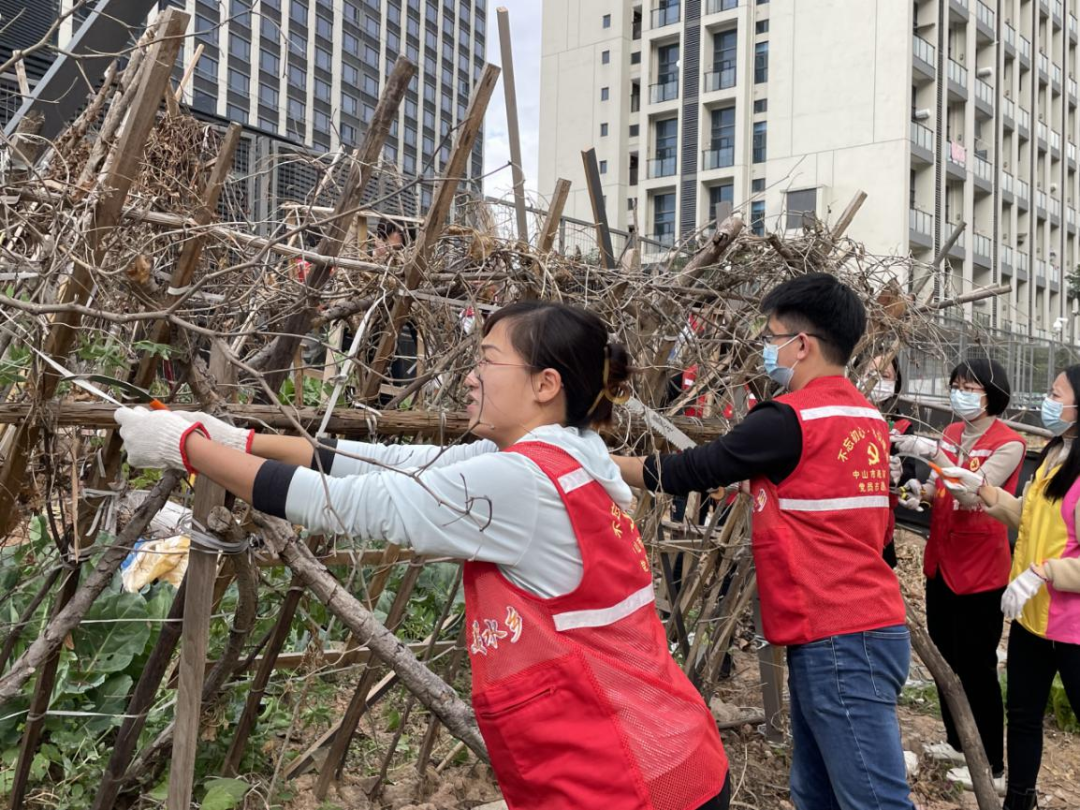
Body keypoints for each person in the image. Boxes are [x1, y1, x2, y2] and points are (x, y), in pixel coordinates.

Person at [113, 302, 731, 810]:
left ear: (546, 384)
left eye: (487, 361)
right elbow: (391, 465)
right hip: (661, 754)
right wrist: (236, 440)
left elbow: (346, 504)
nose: (469, 375)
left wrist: (186, 446)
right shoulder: (570, 456)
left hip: (630, 781)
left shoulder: (519, 481)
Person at [614, 272, 914, 810]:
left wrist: (602, 464)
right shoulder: (866, 417)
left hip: (838, 635)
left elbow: (697, 468)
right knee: (817, 791)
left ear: (802, 344)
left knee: (874, 800)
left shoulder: (789, 419)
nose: (764, 348)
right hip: (859, 626)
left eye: (770, 335)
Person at [949, 365, 1080, 810]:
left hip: (1072, 626)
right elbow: (1028, 516)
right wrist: (984, 490)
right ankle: (1020, 800)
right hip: (1030, 615)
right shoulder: (1054, 454)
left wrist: (1044, 573)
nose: (1046, 399)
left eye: (1055, 392)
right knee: (1023, 716)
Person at [894, 359, 1025, 791]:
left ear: (992, 393)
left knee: (978, 664)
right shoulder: (951, 433)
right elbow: (941, 489)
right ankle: (956, 740)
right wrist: (922, 492)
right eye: (956, 385)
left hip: (980, 569)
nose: (960, 393)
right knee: (946, 657)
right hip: (941, 560)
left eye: (969, 386)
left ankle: (992, 762)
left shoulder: (1010, 444)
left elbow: (973, 493)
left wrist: (934, 457)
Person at [863, 354, 920, 567]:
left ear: (896, 383)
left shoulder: (901, 426)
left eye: (884, 375)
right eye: (870, 374)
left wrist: (895, 476)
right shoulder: (843, 416)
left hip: (880, 520)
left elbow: (908, 476)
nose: (876, 380)